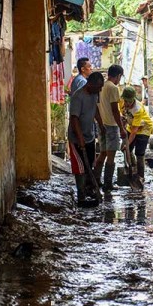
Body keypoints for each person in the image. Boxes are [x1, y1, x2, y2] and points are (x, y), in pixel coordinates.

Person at [68, 72, 104, 206]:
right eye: (98, 87)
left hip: (89, 135)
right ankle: (81, 196)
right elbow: (74, 118)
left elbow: (95, 109)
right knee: (80, 167)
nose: (100, 90)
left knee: (90, 164)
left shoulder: (95, 94)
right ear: (91, 84)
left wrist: (100, 124)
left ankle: (90, 190)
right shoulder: (78, 96)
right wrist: (80, 137)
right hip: (76, 138)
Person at [94, 64, 127, 192]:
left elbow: (97, 107)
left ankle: (96, 179)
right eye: (120, 77)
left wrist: (100, 123)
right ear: (118, 76)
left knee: (102, 153)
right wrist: (122, 128)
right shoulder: (113, 88)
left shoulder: (101, 87)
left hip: (102, 124)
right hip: (112, 126)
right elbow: (114, 109)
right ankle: (108, 184)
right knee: (111, 156)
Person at [120, 86, 153, 183]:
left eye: (129, 102)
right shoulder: (121, 102)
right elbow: (123, 116)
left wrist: (127, 144)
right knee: (125, 149)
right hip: (132, 126)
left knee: (139, 152)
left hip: (144, 128)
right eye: (125, 101)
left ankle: (140, 177)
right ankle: (132, 167)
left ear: (133, 99)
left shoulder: (137, 109)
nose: (127, 104)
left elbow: (134, 131)